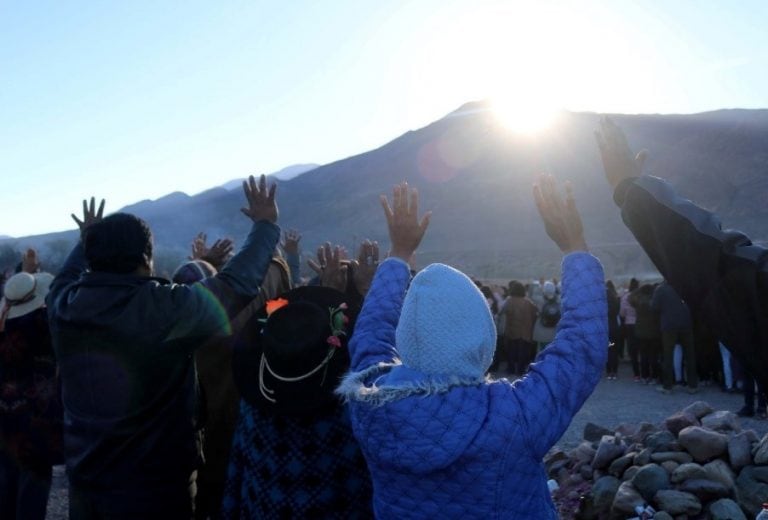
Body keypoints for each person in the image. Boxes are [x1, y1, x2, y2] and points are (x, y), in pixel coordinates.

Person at [338, 178, 607, 518]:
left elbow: (370, 335)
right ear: (483, 338)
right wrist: (574, 247)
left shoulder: (369, 403)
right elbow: (582, 345)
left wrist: (399, 255)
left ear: (406, 334)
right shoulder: (513, 416)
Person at [46, 175, 281, 520]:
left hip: (86, 483)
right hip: (155, 490)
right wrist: (265, 225)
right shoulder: (164, 310)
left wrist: (86, 242)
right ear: (146, 258)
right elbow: (236, 284)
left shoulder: (63, 306)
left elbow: (65, 276)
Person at [596, 117, 768, 392]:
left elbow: (726, 272)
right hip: (680, 331)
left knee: (668, 356)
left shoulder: (656, 295)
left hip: (657, 331)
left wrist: (634, 192)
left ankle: (673, 382)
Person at [222, 244, 378, 518]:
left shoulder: (254, 407)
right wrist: (354, 295)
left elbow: (236, 475)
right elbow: (379, 356)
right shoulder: (354, 412)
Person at [0, 250, 62, 520]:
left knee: (4, 493)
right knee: (31, 501)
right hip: (38, 431)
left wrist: (26, 274)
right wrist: (32, 274)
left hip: (3, 428)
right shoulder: (45, 327)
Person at [651, 281, 698, 394]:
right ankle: (693, 385)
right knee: (690, 355)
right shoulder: (685, 286)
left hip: (669, 325)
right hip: (686, 323)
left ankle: (668, 386)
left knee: (668, 355)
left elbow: (654, 307)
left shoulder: (661, 289)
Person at [501, 280, 539, 376]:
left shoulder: (509, 301)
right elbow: (536, 313)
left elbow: (502, 312)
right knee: (523, 352)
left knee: (511, 351)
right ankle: (521, 370)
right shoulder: (528, 302)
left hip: (512, 330)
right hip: (526, 331)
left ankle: (511, 369)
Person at [620, 278, 640, 381]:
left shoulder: (626, 297)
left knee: (633, 350)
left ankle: (636, 373)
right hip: (641, 324)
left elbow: (622, 313)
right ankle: (647, 373)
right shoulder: (640, 296)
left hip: (629, 325)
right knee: (643, 349)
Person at [605, 281, 621, 379]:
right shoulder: (616, 300)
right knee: (614, 350)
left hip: (606, 329)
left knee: (607, 350)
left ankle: (608, 372)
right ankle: (614, 371)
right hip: (614, 328)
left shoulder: (603, 304)